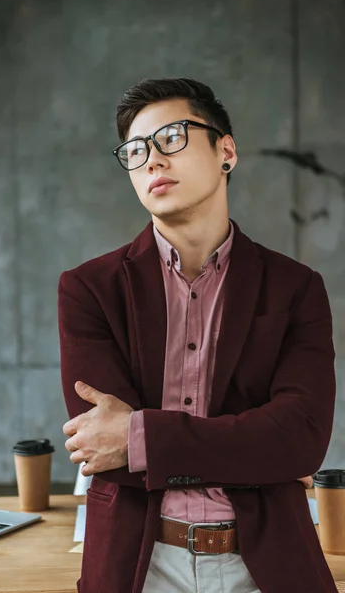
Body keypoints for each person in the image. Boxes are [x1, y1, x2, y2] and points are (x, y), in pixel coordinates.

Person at [58, 78, 337, 593]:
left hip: (267, 564)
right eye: (136, 151)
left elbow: (300, 441)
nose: (152, 161)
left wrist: (140, 436)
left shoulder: (295, 288)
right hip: (138, 566)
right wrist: (246, 443)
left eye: (172, 138)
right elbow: (102, 446)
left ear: (225, 150)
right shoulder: (89, 289)